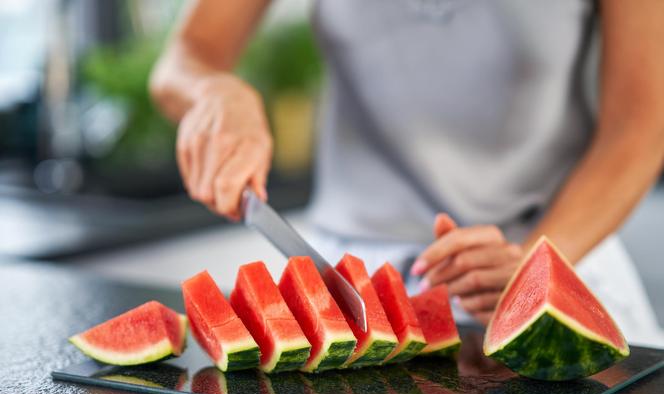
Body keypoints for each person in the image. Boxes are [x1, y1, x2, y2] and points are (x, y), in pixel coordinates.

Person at [150, 0, 664, 347]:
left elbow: (640, 126)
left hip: (550, 255)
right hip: (352, 281)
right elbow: (184, 58)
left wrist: (537, 265)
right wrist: (212, 92)